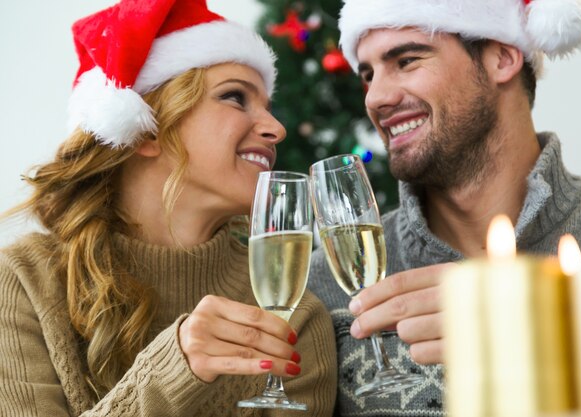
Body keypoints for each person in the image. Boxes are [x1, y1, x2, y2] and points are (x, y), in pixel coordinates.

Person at [0, 0, 337, 415]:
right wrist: (172, 369)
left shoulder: (295, 316)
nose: (276, 128)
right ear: (146, 129)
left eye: (267, 106)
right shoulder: (23, 281)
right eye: (235, 97)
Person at [308, 0, 581, 415]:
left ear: (502, 57)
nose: (376, 98)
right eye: (368, 75)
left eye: (406, 60)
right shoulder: (325, 287)